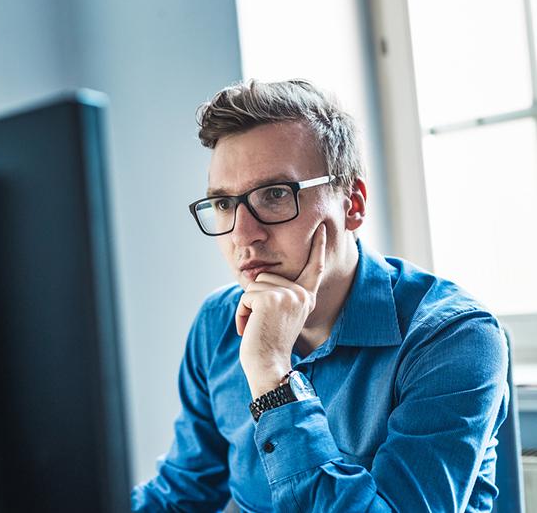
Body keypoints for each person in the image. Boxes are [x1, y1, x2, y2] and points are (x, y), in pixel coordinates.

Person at [131, 79, 508, 512]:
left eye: (274, 195)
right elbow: (183, 494)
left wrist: (272, 376)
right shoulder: (218, 323)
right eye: (223, 204)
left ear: (353, 204)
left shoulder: (454, 338)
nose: (242, 236)